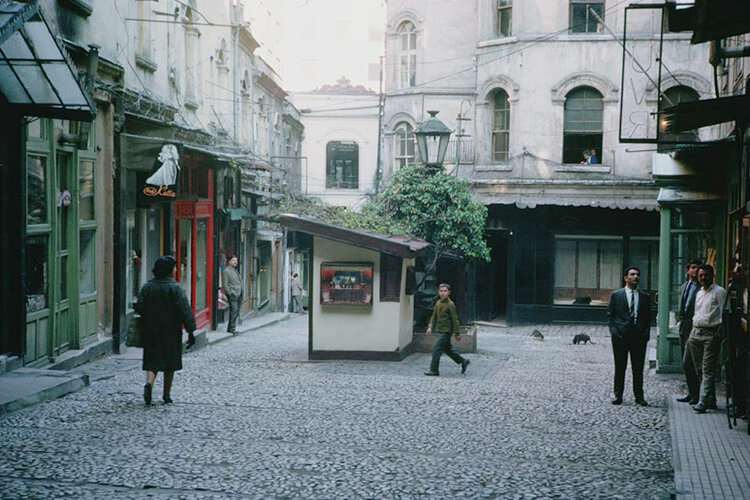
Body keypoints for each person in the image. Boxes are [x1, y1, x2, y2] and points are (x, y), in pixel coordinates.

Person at [135, 255, 196, 405]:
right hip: (171, 331)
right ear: (169, 270)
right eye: (174, 267)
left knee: (152, 360)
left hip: (151, 330)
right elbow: (185, 310)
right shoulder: (174, 288)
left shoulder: (148, 287)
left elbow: (140, 306)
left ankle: (149, 384)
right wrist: (191, 331)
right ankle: (166, 394)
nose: (176, 269)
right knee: (170, 363)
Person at [607, 266, 652, 406]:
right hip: (620, 336)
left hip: (638, 337)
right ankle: (618, 395)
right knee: (620, 367)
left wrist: (645, 333)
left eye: (637, 274)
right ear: (626, 278)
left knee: (638, 368)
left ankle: (639, 396)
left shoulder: (645, 297)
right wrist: (614, 332)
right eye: (632, 274)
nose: (635, 277)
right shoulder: (616, 295)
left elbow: (648, 317)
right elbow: (611, 315)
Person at [687, 264, 727, 413]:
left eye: (706, 275)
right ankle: (711, 400)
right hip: (695, 333)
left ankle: (702, 402)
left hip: (710, 334)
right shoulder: (699, 292)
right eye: (700, 275)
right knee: (698, 369)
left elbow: (725, 314)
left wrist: (718, 333)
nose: (703, 278)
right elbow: (697, 313)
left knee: (707, 370)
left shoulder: (719, 292)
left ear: (712, 275)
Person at [424, 283, 470, 376]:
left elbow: (455, 320)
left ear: (449, 292)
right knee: (448, 350)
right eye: (441, 291)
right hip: (440, 330)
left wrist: (457, 333)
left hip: (447, 331)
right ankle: (463, 361)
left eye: (445, 291)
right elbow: (434, 316)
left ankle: (434, 370)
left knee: (436, 350)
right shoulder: (438, 303)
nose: (443, 293)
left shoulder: (450, 304)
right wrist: (430, 326)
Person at [676, 260, 702, 404]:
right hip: (684, 326)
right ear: (687, 270)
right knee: (685, 362)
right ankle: (691, 392)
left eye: (697, 268)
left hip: (695, 326)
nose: (695, 270)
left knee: (693, 361)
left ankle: (698, 394)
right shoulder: (684, 286)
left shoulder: (700, 288)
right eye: (692, 268)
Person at [222, 255, 242, 334]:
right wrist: (230, 293)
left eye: (236, 260)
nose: (235, 262)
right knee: (234, 311)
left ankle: (230, 328)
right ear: (229, 261)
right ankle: (232, 329)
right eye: (233, 260)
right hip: (233, 294)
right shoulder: (226, 271)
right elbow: (225, 284)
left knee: (236, 312)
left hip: (239, 293)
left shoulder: (235, 270)